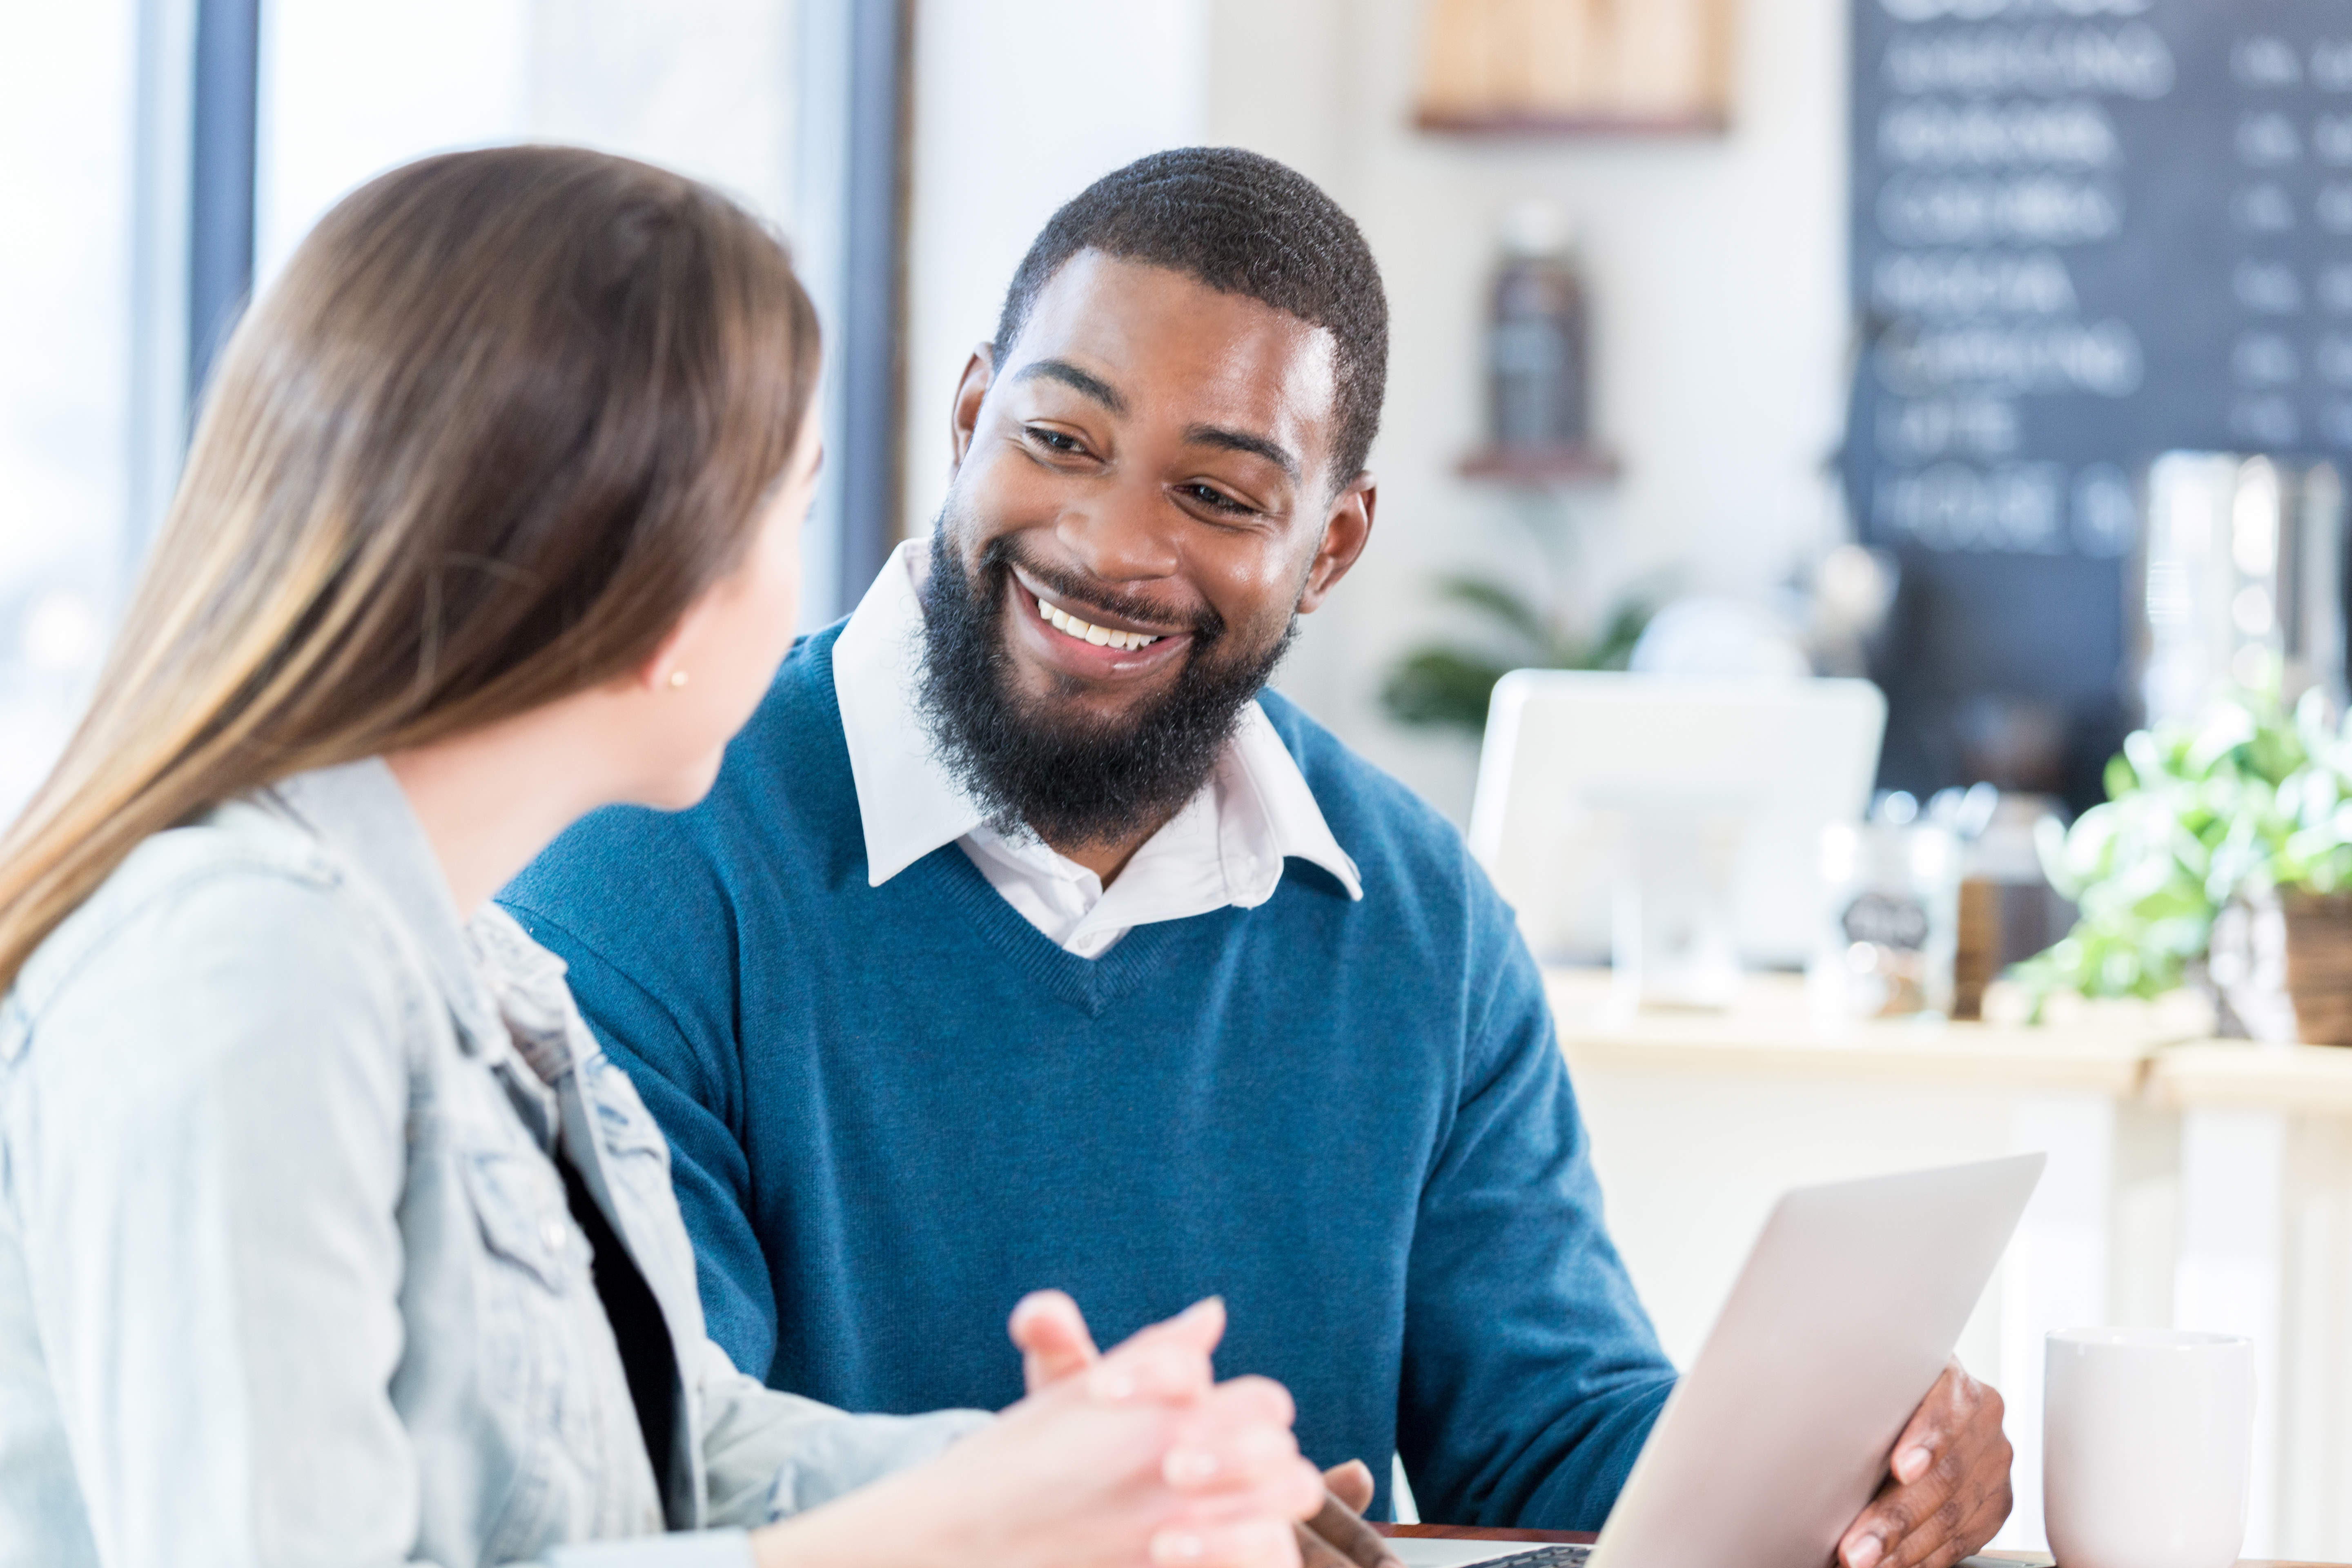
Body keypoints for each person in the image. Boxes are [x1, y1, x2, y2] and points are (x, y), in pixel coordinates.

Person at [501, 147, 2015, 1567]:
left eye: (1218, 494)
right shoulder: (646, 861)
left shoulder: (1414, 912)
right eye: (1058, 440)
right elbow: (664, 1476)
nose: (1109, 541)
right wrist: (1104, 1511)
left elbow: (1546, 1424)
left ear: (1332, 546)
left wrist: (1845, 1480)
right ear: (970, 422)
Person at [0, 145, 1329, 1568]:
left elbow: (665, 1443)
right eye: (791, 512)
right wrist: (943, 1534)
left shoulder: (476, 965)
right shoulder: (249, 970)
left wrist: (1068, 1472)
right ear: (645, 570)